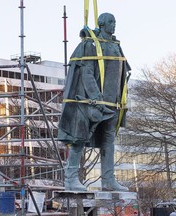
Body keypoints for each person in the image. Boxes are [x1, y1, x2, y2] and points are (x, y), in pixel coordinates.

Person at [58, 12, 131, 192]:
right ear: (102, 24)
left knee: (108, 140)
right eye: (111, 22)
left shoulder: (115, 46)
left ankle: (108, 180)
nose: (114, 25)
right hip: (92, 102)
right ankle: (71, 178)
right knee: (79, 139)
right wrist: (96, 98)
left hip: (113, 103)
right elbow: (87, 73)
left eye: (115, 21)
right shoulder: (91, 45)